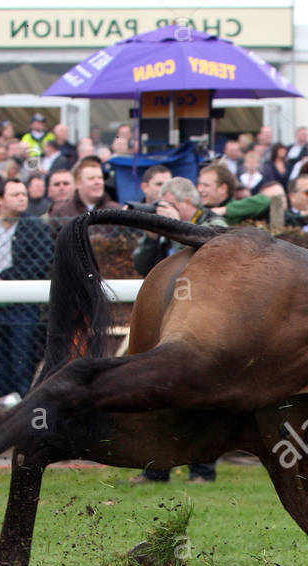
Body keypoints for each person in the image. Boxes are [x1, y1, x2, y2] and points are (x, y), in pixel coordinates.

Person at [127, 176, 226, 485]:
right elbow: (143, 267)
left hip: (207, 318)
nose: (163, 210)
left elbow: (215, 259)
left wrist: (174, 229)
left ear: (185, 203)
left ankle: (202, 472)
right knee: (157, 392)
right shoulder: (165, 229)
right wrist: (152, 235)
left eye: (166, 204)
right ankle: (155, 470)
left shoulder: (215, 221)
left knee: (201, 395)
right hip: (167, 317)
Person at [0, 177, 54, 400]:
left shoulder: (35, 227)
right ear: (0, 199)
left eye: (24, 195)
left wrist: (6, 278)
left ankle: (22, 410)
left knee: (21, 362)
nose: (22, 199)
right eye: (15, 195)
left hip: (21, 306)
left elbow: (42, 260)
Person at [47, 156, 120, 216]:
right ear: (78, 183)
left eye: (100, 178)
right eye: (91, 178)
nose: (97, 182)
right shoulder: (61, 213)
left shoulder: (116, 211)